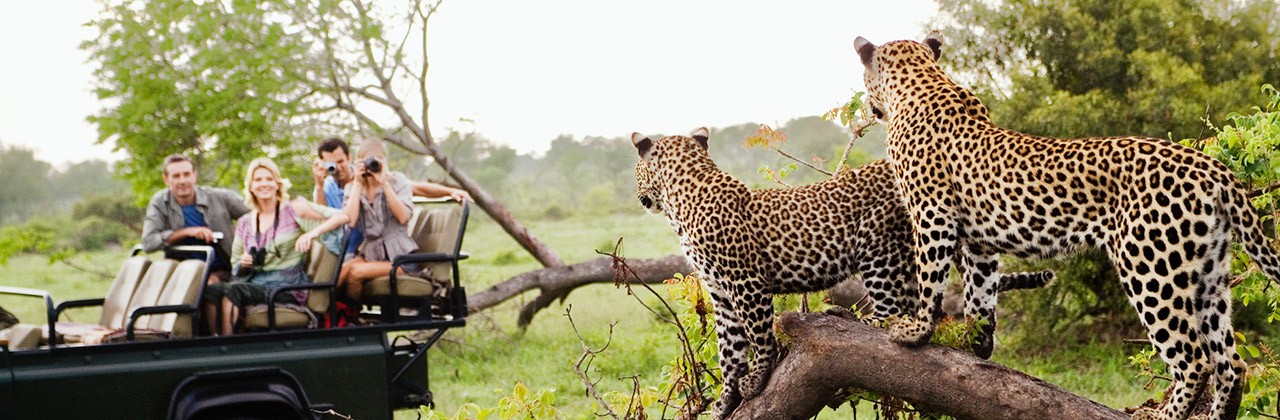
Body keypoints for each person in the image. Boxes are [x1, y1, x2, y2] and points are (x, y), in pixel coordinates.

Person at [202, 158, 349, 335]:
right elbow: (236, 268)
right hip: (255, 283)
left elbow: (342, 216)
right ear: (250, 186)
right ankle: (216, 342)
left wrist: (311, 233)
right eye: (258, 180)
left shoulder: (293, 210)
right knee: (211, 291)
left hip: (286, 287)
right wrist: (245, 263)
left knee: (235, 290)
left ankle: (228, 349)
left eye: (269, 179)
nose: (264, 184)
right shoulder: (244, 222)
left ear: (277, 184)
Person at [337, 137, 425, 301]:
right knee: (340, 272)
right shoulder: (353, 187)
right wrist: (357, 183)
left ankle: (352, 319)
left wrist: (384, 183)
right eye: (367, 161)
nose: (372, 165)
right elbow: (350, 221)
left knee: (355, 273)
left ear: (385, 160)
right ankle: (335, 318)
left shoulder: (397, 181)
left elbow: (403, 217)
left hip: (401, 259)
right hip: (372, 255)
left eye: (377, 160)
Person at [142, 154, 250, 284]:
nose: (182, 181)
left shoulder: (219, 197)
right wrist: (186, 232)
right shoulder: (160, 202)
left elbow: (258, 214)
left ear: (194, 175)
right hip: (182, 272)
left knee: (206, 285)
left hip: (223, 269)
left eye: (186, 174)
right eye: (176, 176)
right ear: (166, 179)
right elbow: (148, 243)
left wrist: (248, 244)